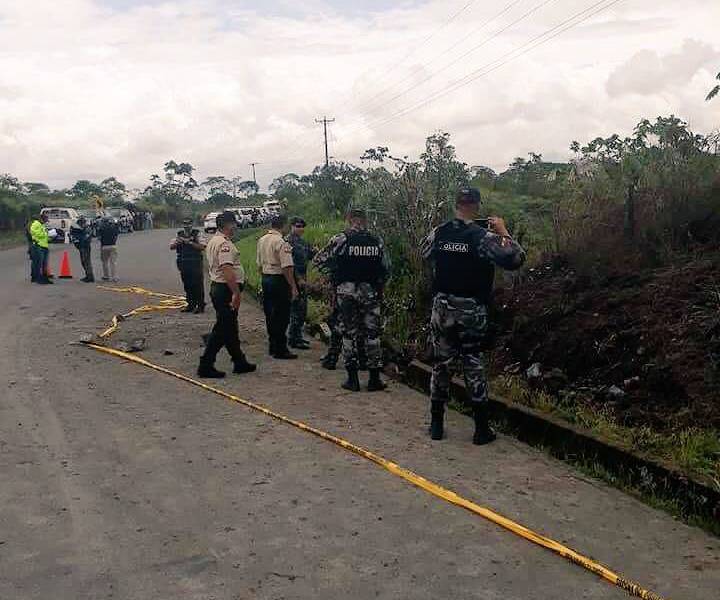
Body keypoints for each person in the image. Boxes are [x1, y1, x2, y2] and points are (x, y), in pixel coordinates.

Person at [421, 187, 526, 445]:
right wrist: (503, 231)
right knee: (473, 363)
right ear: (477, 206)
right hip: (470, 309)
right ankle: (481, 429)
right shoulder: (483, 237)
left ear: (456, 204)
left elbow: (424, 254)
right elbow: (515, 259)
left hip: (442, 307)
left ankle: (436, 425)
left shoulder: (438, 232)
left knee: (441, 364)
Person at [314, 208, 390, 392]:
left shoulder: (341, 239)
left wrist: (335, 273)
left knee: (349, 334)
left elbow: (318, 260)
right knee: (372, 335)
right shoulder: (376, 240)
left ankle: (352, 379)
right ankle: (374, 379)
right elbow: (387, 268)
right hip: (370, 292)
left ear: (349, 219)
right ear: (365, 220)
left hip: (346, 293)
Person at [198, 211, 256, 378]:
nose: (235, 227)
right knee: (223, 329)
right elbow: (227, 269)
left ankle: (239, 361)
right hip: (225, 290)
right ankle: (206, 364)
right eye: (234, 224)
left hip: (220, 288)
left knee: (230, 327)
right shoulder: (224, 244)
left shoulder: (214, 240)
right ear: (228, 225)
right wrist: (236, 293)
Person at [257, 214, 298, 359]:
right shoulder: (281, 242)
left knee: (270, 314)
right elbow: (287, 267)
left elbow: (259, 264)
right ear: (284, 225)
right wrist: (293, 286)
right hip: (279, 280)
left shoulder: (262, 240)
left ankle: (272, 345)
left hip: (266, 278)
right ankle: (281, 349)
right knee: (282, 315)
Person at [286, 216, 316, 349]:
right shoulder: (288, 242)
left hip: (303, 277)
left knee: (302, 310)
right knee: (296, 310)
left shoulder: (303, 242)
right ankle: (293, 338)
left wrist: (315, 251)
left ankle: (297, 336)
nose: (300, 229)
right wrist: (298, 279)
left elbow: (310, 255)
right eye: (298, 226)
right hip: (294, 278)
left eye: (302, 227)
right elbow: (289, 264)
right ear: (291, 226)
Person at [170, 218, 206, 313]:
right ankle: (190, 304)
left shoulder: (197, 234)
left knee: (197, 284)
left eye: (188, 224)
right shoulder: (179, 234)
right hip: (183, 262)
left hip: (195, 262)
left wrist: (190, 243)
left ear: (192, 225)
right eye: (185, 224)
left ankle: (200, 305)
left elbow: (202, 247)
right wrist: (178, 242)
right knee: (187, 284)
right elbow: (171, 247)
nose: (186, 226)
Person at [69, 217, 95, 282]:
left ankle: (90, 276)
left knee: (86, 262)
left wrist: (79, 240)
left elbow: (86, 238)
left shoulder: (86, 229)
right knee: (84, 262)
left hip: (85, 247)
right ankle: (88, 275)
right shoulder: (83, 229)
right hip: (83, 247)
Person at [29, 213, 52, 284]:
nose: (46, 222)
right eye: (45, 220)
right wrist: (46, 234)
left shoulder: (42, 225)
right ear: (42, 219)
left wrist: (49, 237)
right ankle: (38, 278)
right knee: (39, 263)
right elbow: (36, 234)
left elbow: (44, 235)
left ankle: (44, 278)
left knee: (44, 263)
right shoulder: (36, 224)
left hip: (44, 246)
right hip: (38, 246)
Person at [98, 217, 120, 282]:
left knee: (105, 262)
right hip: (113, 245)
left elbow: (99, 238)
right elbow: (116, 235)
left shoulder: (101, 228)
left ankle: (106, 276)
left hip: (104, 246)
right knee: (113, 262)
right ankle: (114, 277)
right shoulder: (113, 228)